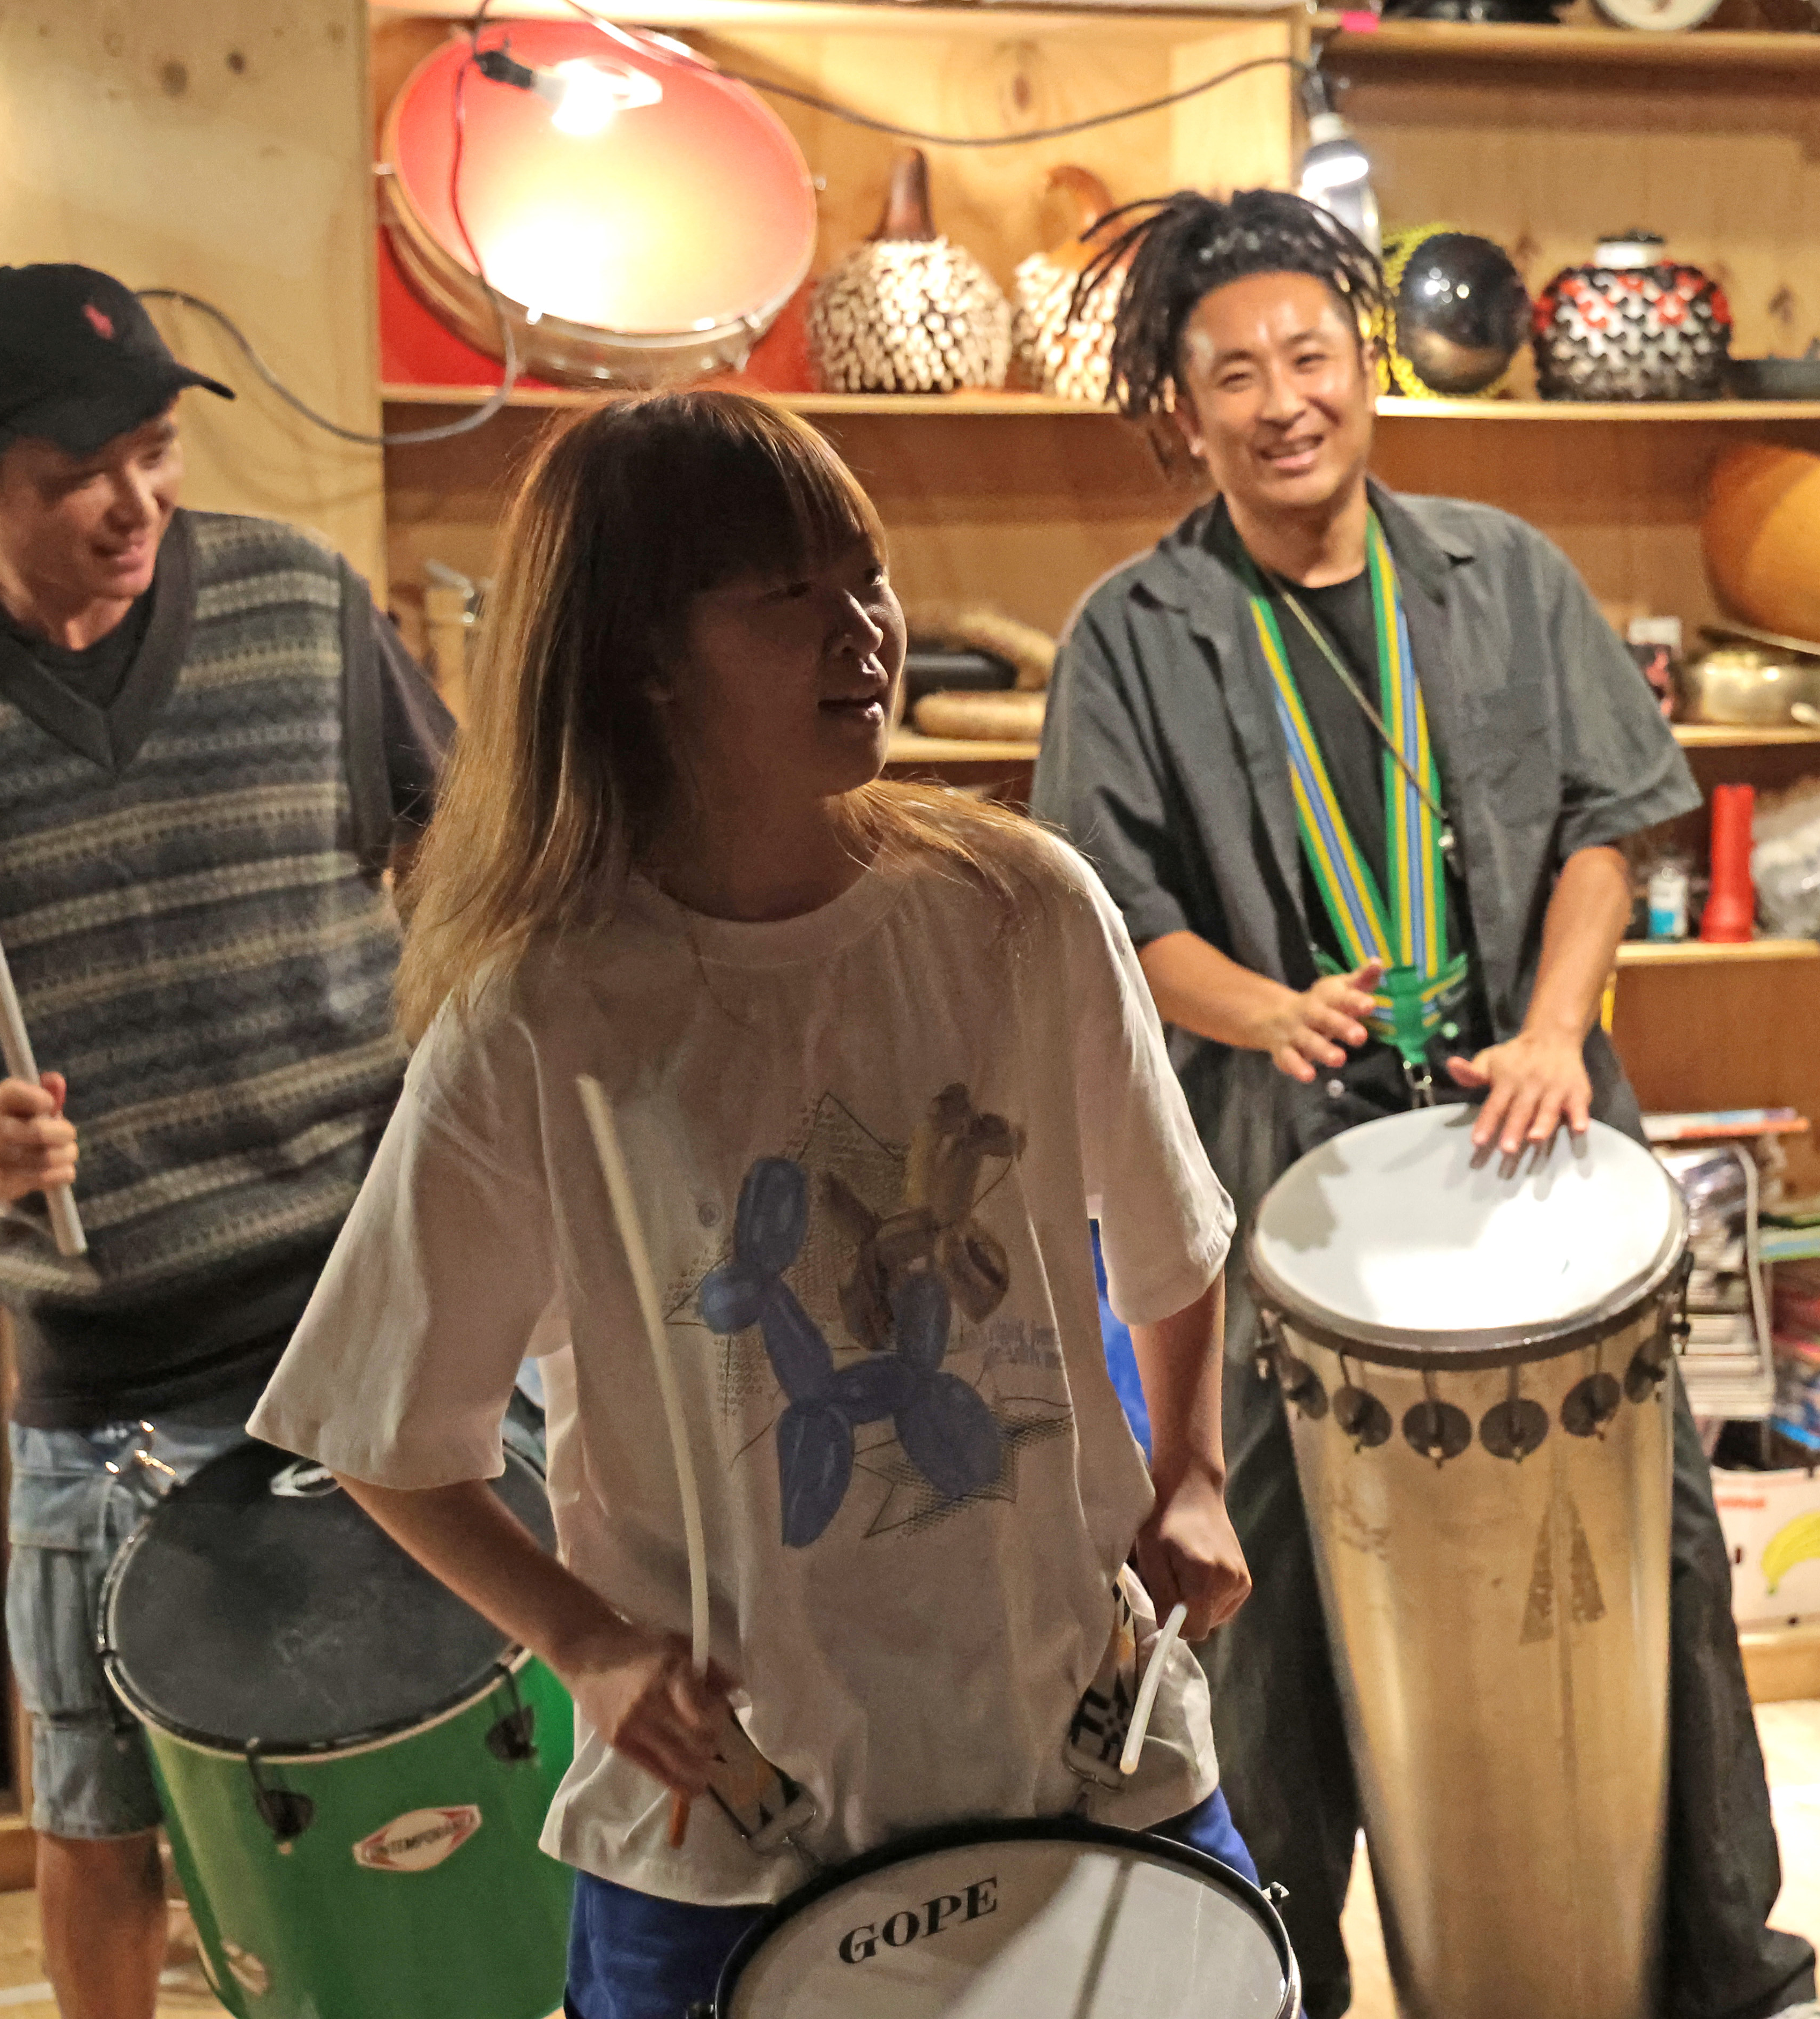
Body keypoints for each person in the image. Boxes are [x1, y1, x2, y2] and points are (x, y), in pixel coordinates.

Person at [247, 389, 1253, 2019]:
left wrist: (1192, 1471)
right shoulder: (544, 1015)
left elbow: (1173, 1240)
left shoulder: (1021, 910)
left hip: (1088, 1749)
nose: (866, 630)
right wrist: (587, 1645)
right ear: (642, 655)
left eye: (868, 576)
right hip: (735, 1831)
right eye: (789, 595)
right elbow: (383, 1431)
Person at [1031, 189, 1820, 2019]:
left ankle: (1729, 1972)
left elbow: (1608, 830)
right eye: (1235, 373)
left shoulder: (1501, 571)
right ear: (1181, 407)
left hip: (1530, 1144)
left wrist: (1554, 1028)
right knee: (1267, 1602)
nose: (1282, 400)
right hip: (1271, 1179)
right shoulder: (1132, 631)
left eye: (1310, 355)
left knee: (1657, 1562)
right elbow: (1103, 914)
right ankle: (1279, 1982)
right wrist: (1260, 1008)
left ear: (1366, 365)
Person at [0, 264, 451, 2019]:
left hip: (377, 1313)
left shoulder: (300, 599)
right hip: (108, 1358)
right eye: (77, 474)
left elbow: (456, 842)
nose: (132, 503)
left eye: (155, 451)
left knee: (464, 1747)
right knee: (97, 1803)